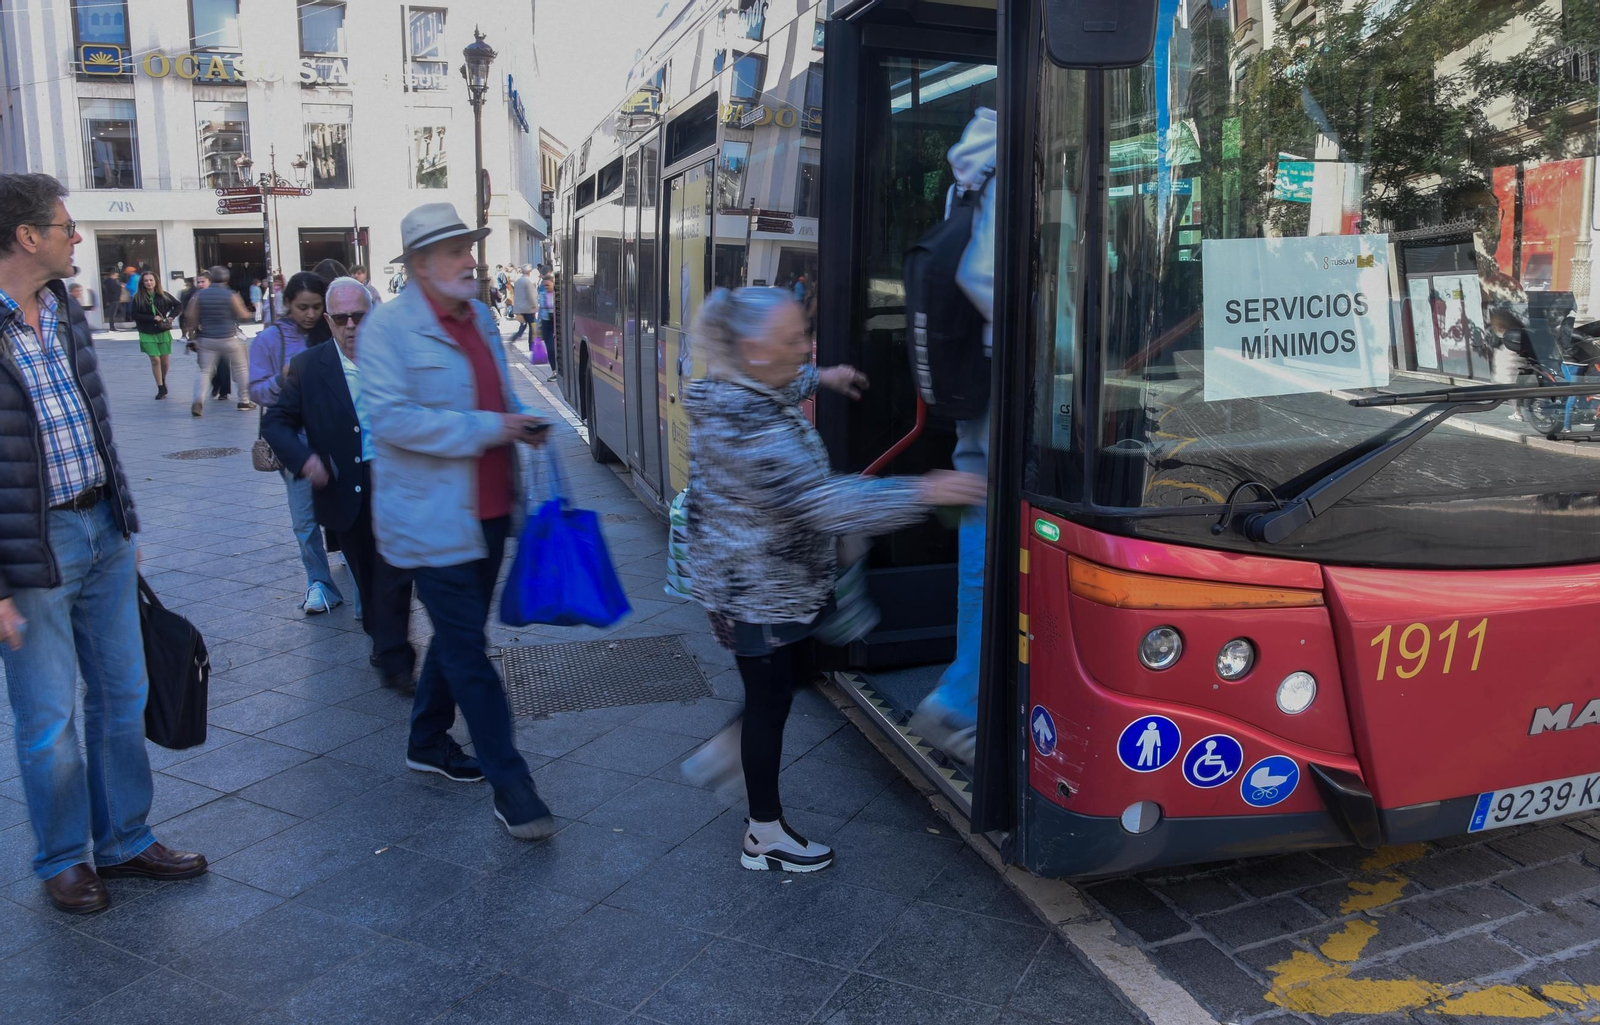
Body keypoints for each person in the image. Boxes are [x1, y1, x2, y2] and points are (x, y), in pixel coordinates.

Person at [680, 287, 985, 872]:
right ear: (753, 348)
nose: (806, 348)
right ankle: (762, 834)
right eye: (795, 340)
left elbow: (778, 382)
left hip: (773, 578)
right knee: (770, 701)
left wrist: (822, 377)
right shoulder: (751, 433)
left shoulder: (742, 387)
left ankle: (727, 749)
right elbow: (824, 503)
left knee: (798, 669)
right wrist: (926, 490)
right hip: (758, 589)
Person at [0, 173, 207, 914]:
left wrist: (122, 519)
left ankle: (123, 838)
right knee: (48, 716)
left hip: (103, 528)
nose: (74, 236)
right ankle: (63, 858)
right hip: (31, 547)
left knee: (124, 692)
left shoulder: (62, 309)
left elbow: (95, 422)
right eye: (64, 226)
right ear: (28, 237)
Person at [363, 202, 556, 837]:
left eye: (469, 246)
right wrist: (489, 428)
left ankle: (425, 739)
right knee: (470, 650)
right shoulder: (388, 329)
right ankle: (512, 783)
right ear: (421, 265)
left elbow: (494, 396)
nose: (471, 258)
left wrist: (518, 424)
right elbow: (389, 420)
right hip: (433, 518)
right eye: (456, 250)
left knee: (457, 633)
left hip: (492, 510)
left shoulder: (477, 316)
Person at [262, 277, 414, 690]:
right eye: (341, 318)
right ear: (328, 321)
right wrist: (305, 460)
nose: (351, 326)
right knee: (368, 575)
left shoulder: (397, 358)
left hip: (397, 480)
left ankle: (394, 651)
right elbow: (274, 422)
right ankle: (387, 648)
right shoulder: (310, 368)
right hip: (346, 486)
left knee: (398, 573)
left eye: (359, 317)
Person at [911, 107, 996, 765]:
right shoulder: (1007, 163)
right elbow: (984, 277)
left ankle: (972, 694)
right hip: (1009, 377)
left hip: (979, 375)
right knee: (995, 530)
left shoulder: (975, 162)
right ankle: (963, 701)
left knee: (980, 522)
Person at [249, 272, 348, 616]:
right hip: (296, 444)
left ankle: (354, 559)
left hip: (339, 439)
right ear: (287, 304)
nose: (308, 314)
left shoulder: (335, 331)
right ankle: (319, 583)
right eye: (301, 307)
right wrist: (285, 377)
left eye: (315, 307)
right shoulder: (269, 341)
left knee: (348, 509)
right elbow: (256, 391)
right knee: (305, 520)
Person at [183, 264, 253, 415]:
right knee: (241, 368)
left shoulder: (200, 295)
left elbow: (191, 316)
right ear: (226, 278)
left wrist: (191, 337)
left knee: (204, 371)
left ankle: (198, 401)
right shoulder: (231, 295)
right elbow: (243, 315)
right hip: (228, 338)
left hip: (206, 339)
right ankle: (244, 401)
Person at [130, 271, 180, 399]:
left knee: (165, 361)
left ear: (156, 281)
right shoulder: (138, 297)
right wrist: (152, 318)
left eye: (151, 280)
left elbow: (178, 306)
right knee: (155, 360)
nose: (149, 283)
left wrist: (170, 317)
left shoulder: (163, 295)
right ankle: (160, 387)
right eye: (146, 280)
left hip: (162, 331)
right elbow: (134, 315)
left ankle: (163, 379)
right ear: (142, 283)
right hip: (146, 331)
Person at [510, 264, 538, 344]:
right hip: (528, 308)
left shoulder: (518, 281)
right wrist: (535, 307)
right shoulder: (528, 281)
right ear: (529, 271)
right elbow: (531, 296)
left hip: (520, 308)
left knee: (523, 325)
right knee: (533, 327)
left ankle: (516, 336)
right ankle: (532, 345)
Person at [538, 272, 556, 367]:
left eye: (548, 285)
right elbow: (540, 310)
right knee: (549, 347)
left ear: (553, 284)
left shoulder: (557, 295)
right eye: (544, 285)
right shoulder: (543, 295)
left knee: (555, 347)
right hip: (546, 323)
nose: (546, 287)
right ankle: (553, 369)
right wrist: (537, 326)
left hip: (556, 323)